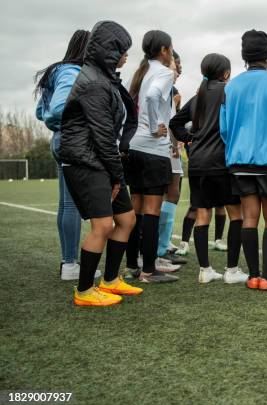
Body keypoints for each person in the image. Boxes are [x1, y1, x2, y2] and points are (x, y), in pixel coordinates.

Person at [60, 20, 142, 306]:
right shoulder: (94, 82)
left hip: (100, 160)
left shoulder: (104, 78)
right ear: (109, 50)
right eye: (122, 49)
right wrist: (117, 176)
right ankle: (83, 291)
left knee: (127, 219)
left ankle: (110, 280)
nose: (126, 55)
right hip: (85, 162)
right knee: (103, 226)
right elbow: (103, 135)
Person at [220, 29, 267, 291]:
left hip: (239, 162)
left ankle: (252, 276)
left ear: (244, 57)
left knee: (248, 219)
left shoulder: (232, 86)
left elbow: (225, 129)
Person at [169, 53, 247, 284]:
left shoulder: (197, 97)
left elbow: (175, 123)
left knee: (203, 215)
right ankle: (232, 271)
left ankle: (205, 270)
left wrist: (190, 140)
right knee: (237, 216)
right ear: (225, 74)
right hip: (223, 164)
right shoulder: (229, 92)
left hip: (198, 165)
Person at [35, 29, 93, 281]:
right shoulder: (72, 72)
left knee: (66, 204)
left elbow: (40, 111)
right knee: (72, 205)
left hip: (60, 140)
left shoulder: (57, 71)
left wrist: (53, 122)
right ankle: (70, 264)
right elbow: (55, 110)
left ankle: (68, 262)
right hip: (71, 140)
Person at [125, 30, 180, 283]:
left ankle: (132, 265)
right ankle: (149, 270)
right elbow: (152, 96)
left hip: (134, 148)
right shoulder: (164, 72)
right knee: (152, 210)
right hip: (153, 150)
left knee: (135, 208)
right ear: (164, 50)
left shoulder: (139, 73)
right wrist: (157, 124)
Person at [156, 54, 187, 264]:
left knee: (172, 193)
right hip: (163, 147)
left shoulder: (173, 92)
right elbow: (168, 122)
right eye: (178, 64)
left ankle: (162, 244)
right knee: (165, 193)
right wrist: (175, 144)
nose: (181, 69)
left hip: (169, 147)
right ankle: (159, 246)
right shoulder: (164, 90)